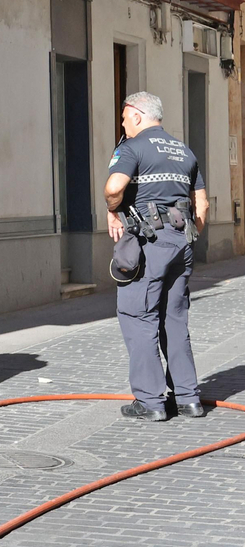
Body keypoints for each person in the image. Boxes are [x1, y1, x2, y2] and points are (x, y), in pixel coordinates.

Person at [105, 91, 208, 422]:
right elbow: (202, 205)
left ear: (136, 115)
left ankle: (150, 401)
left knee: (139, 316)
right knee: (175, 319)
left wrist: (112, 209)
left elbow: (113, 186)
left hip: (151, 242)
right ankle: (188, 398)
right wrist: (186, 238)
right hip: (183, 241)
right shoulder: (184, 151)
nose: (123, 125)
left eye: (124, 119)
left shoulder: (132, 147)